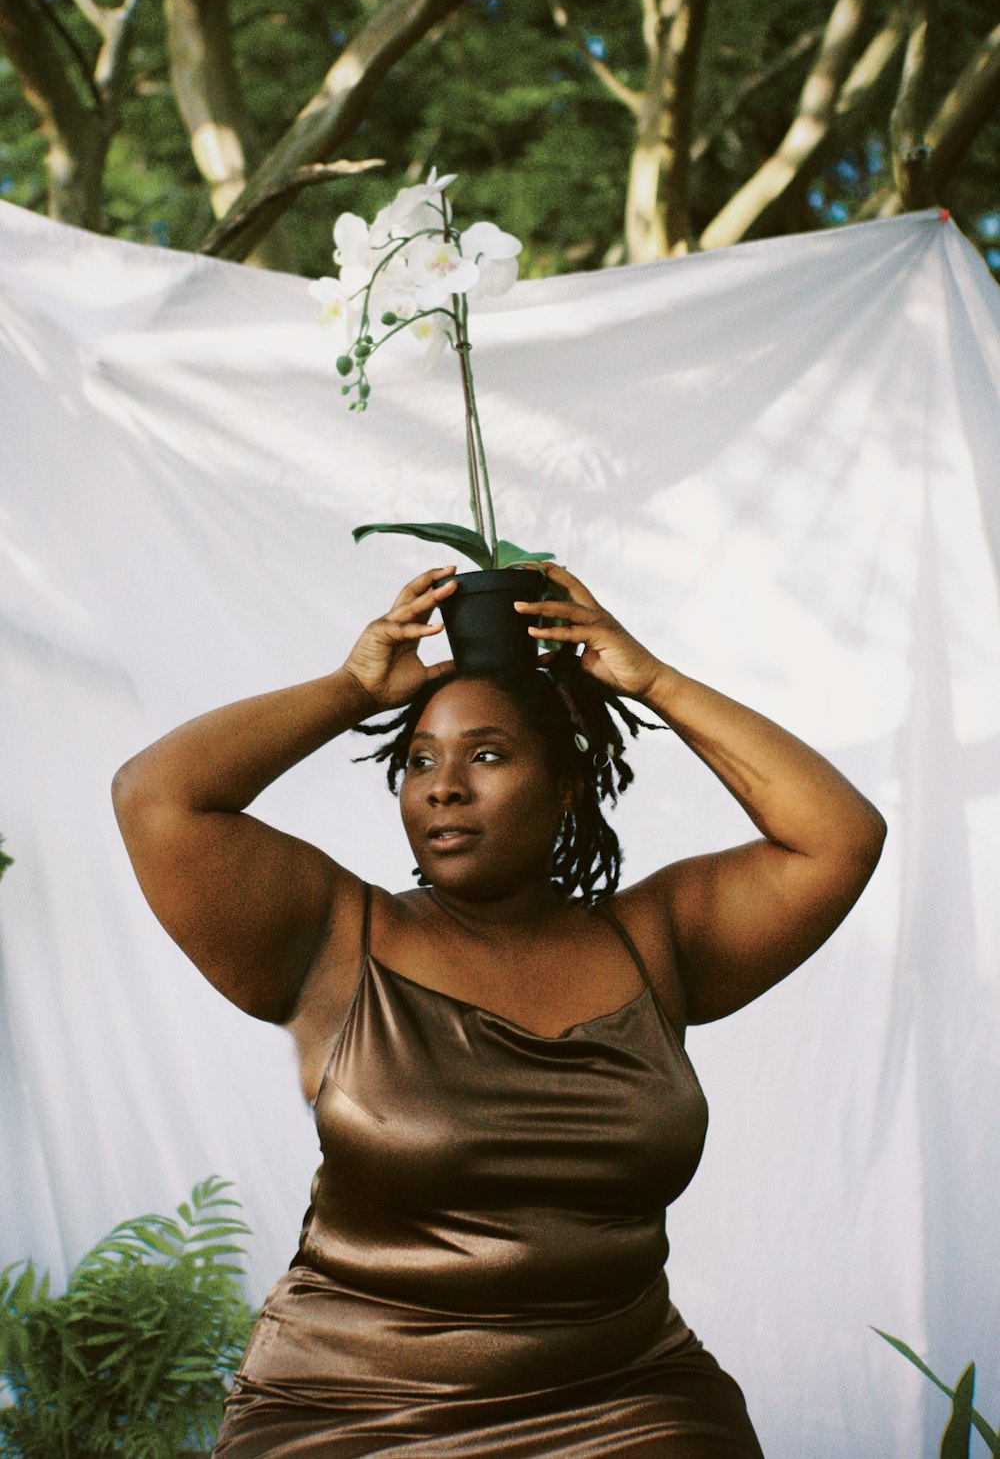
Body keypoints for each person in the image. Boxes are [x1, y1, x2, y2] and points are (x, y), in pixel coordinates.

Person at [111, 561, 886, 1458]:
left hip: (623, 1395)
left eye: (486, 754)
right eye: (419, 761)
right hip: (355, 1409)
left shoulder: (656, 942)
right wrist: (349, 689)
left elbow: (839, 835)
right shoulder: (337, 938)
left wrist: (652, 680)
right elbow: (156, 795)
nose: (442, 787)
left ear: (564, 789)